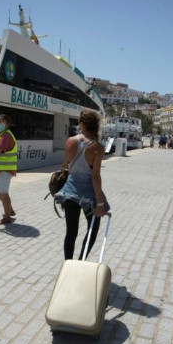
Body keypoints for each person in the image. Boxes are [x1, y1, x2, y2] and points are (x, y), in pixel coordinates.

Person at [55, 109, 110, 260]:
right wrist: (100, 203)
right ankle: (81, 261)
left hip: (70, 191)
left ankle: (68, 265)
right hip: (89, 195)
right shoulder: (97, 147)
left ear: (81, 124)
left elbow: (66, 165)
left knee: (71, 232)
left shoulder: (71, 141)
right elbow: (95, 177)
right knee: (93, 229)